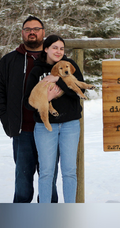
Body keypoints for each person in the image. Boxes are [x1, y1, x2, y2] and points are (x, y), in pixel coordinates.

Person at [0, 15, 58, 203]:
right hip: (23, 132)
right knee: (23, 182)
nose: (32, 32)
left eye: (36, 29)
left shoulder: (54, 59)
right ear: (22, 33)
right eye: (28, 29)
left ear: (43, 32)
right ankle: (20, 219)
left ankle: (50, 218)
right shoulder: (9, 60)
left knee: (49, 180)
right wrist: (5, 117)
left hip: (50, 130)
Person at [24, 34, 84, 203]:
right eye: (55, 48)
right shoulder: (37, 71)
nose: (58, 51)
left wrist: (59, 78)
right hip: (45, 127)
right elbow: (28, 102)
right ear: (46, 49)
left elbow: (79, 92)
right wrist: (46, 99)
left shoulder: (70, 66)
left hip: (70, 125)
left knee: (69, 171)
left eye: (61, 48)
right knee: (46, 172)